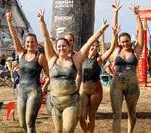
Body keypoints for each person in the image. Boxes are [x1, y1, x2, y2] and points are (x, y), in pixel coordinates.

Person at [38, 9, 109, 133]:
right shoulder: (51, 59)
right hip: (54, 102)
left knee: (67, 130)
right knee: (59, 131)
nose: (61, 48)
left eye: (64, 45)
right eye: (59, 46)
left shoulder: (75, 59)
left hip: (70, 102)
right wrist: (42, 21)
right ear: (56, 48)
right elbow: (45, 38)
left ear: (69, 46)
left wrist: (101, 30)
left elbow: (89, 43)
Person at [79, 2, 121, 132]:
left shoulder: (99, 59)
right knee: (81, 115)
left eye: (96, 47)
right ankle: (86, 130)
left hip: (96, 91)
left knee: (91, 117)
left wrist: (115, 16)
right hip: (83, 90)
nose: (94, 48)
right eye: (93, 46)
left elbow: (113, 47)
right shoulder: (81, 56)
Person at [6, 12, 50, 133]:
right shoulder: (22, 53)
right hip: (21, 91)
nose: (30, 44)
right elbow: (14, 37)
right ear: (25, 44)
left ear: (36, 44)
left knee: (30, 123)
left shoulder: (40, 57)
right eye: (28, 42)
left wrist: (44, 87)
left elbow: (49, 75)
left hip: (34, 92)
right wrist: (9, 21)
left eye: (32, 42)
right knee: (22, 124)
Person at [110, 3, 144, 133]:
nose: (125, 43)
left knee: (132, 113)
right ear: (119, 42)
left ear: (131, 40)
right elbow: (114, 30)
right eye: (122, 41)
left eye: (127, 40)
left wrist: (137, 15)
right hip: (117, 84)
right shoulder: (116, 50)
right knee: (116, 115)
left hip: (132, 85)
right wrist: (115, 13)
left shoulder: (136, 51)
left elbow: (140, 33)